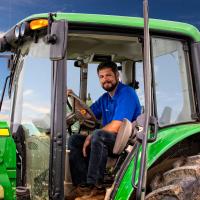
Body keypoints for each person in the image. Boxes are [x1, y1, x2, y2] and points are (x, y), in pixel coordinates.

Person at [68, 61, 141, 200]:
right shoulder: (105, 98)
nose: (105, 79)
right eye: (101, 77)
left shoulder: (126, 93)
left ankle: (96, 187)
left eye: (108, 75)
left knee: (98, 135)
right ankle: (83, 187)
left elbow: (116, 126)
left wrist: (91, 137)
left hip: (125, 140)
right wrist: (74, 99)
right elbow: (87, 114)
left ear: (117, 75)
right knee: (75, 140)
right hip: (108, 139)